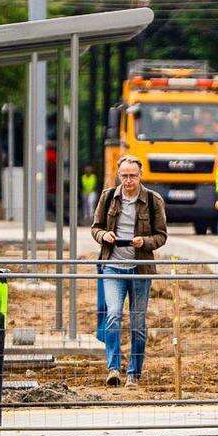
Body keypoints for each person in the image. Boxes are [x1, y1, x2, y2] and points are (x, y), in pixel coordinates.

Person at [90, 156, 167, 387]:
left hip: (140, 270)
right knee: (113, 315)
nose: (128, 180)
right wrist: (104, 236)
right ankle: (113, 368)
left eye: (132, 176)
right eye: (124, 176)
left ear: (140, 175)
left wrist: (144, 241)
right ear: (118, 175)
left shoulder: (153, 200)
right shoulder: (108, 197)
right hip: (112, 266)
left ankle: (134, 372)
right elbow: (96, 228)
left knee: (138, 323)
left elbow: (161, 236)